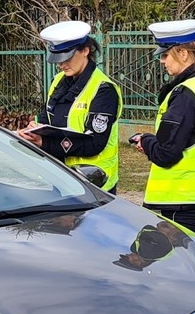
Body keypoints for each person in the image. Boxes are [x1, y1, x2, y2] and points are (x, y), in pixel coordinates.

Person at [128, 19, 195, 243]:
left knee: (165, 268)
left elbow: (166, 153)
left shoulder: (185, 95)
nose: (162, 61)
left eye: (165, 55)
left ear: (183, 53)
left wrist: (146, 141)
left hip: (181, 200)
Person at [18, 20, 121, 193]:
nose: (61, 64)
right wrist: (34, 128)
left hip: (94, 182)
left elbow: (95, 143)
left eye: (67, 58)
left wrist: (45, 143)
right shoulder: (58, 80)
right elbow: (46, 116)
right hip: (61, 176)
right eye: (58, 59)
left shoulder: (103, 89)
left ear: (85, 51)